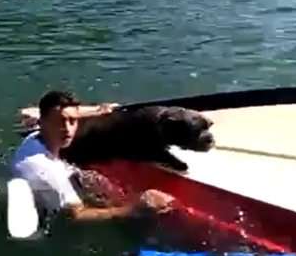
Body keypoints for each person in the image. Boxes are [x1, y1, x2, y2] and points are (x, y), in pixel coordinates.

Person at [9, 90, 175, 221]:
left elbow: (65, 113)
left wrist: (98, 110)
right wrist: (136, 209)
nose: (67, 129)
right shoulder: (47, 170)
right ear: (43, 121)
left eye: (72, 121)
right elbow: (76, 215)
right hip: (42, 214)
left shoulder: (36, 136)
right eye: (59, 122)